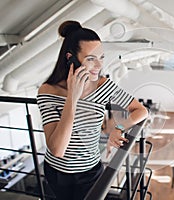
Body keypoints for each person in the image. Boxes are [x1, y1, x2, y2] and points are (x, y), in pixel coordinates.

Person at [36, 21, 148, 200]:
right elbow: (57, 149)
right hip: (57, 173)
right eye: (90, 59)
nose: (99, 65)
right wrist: (73, 97)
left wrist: (118, 127)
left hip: (90, 172)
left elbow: (141, 111)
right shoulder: (48, 91)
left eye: (101, 57)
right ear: (70, 58)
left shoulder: (103, 85)